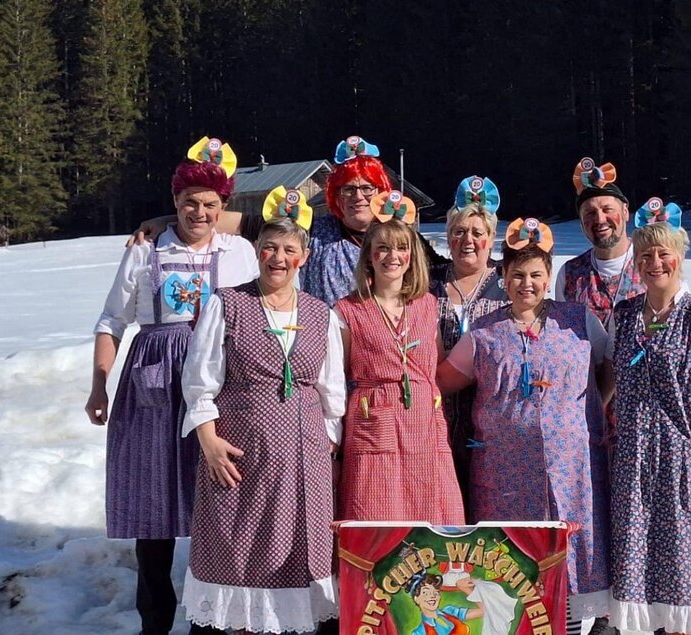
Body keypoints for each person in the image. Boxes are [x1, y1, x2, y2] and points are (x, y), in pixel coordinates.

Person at [85, 137, 258, 635]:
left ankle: (211, 621)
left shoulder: (240, 251)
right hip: (154, 384)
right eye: (188, 202)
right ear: (174, 200)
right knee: (153, 507)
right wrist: (99, 384)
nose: (198, 213)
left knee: (218, 500)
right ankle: (155, 620)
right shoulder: (147, 249)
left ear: (223, 207)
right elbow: (112, 320)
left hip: (221, 380)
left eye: (209, 204)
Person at [435, 218, 613, 635]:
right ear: (504, 277)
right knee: (513, 565)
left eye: (535, 275)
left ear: (549, 278)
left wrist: (585, 415)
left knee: (566, 558)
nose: (526, 284)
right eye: (517, 275)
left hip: (571, 469)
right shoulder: (484, 333)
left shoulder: (579, 320)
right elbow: (442, 381)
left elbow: (607, 369)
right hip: (505, 475)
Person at [179, 189, 345, 634]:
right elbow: (199, 382)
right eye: (270, 247)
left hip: (303, 463)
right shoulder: (228, 304)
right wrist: (209, 442)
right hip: (238, 457)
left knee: (298, 556)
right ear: (257, 251)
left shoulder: (321, 314)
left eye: (289, 250)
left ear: (303, 258)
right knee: (237, 552)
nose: (278, 258)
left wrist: (325, 447)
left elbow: (332, 393)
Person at [129, 135, 447, 306]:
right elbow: (248, 224)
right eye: (348, 189)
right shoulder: (317, 232)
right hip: (328, 347)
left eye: (367, 188)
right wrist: (172, 219)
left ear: (382, 192)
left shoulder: (403, 240)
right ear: (336, 195)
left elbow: (446, 272)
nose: (358, 197)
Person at [605, 199, 691, 635]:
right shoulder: (624, 316)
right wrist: (598, 419)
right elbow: (610, 376)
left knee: (681, 560)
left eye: (663, 253)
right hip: (633, 456)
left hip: (681, 455)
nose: (655, 263)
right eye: (645, 255)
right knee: (636, 558)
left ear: (679, 256)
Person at [333, 191, 464, 524]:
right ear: (369, 256)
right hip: (374, 418)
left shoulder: (427, 305)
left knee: (432, 510)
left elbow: (436, 363)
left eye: (401, 247)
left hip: (424, 421)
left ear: (412, 255)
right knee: (375, 512)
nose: (393, 256)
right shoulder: (348, 310)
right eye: (383, 248)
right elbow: (336, 376)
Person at [428, 176, 508, 513]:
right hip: (435, 421)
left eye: (477, 232)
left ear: (491, 238)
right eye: (459, 232)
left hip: (490, 425)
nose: (468, 240)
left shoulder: (508, 285)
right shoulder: (428, 282)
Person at [555, 158, 645, 326]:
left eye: (607, 209)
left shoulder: (653, 264)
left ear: (625, 212)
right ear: (581, 222)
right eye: (590, 213)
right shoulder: (569, 274)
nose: (600, 219)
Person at [408, 572, 484, 635]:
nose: (432, 596)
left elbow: (485, 610)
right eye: (426, 593)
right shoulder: (419, 633)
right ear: (416, 599)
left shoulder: (450, 611)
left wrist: (465, 589)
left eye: (436, 592)